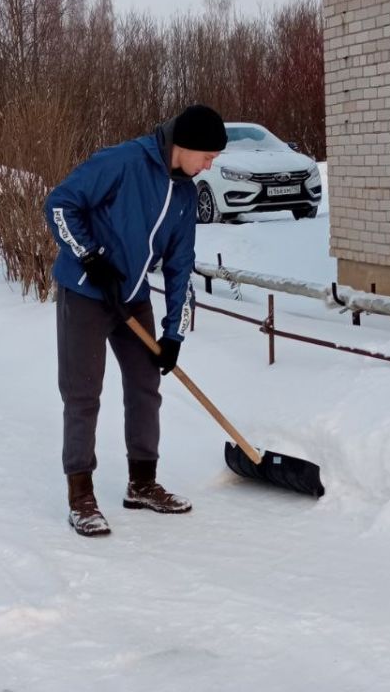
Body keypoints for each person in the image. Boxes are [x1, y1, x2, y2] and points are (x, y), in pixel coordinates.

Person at [44, 105, 227, 537]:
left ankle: (142, 483)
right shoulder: (122, 162)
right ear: (183, 145)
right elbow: (60, 205)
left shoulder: (184, 196)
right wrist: (90, 256)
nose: (210, 164)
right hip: (86, 292)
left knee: (146, 386)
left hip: (132, 296)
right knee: (83, 393)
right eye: (207, 155)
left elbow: (182, 266)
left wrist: (173, 333)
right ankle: (81, 496)